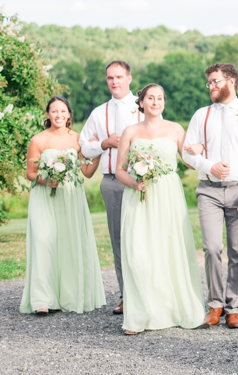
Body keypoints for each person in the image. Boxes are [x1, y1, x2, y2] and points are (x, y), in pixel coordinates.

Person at [115, 84, 206, 335]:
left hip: (168, 195)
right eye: (150, 98)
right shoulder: (130, 131)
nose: (156, 102)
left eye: (160, 98)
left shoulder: (176, 129)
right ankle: (140, 315)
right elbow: (119, 170)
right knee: (138, 253)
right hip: (138, 196)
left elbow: (189, 160)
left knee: (168, 249)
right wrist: (135, 182)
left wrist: (198, 151)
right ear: (141, 102)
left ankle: (173, 310)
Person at [182, 63, 238, 329]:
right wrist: (209, 166)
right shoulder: (200, 115)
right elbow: (186, 153)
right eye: (209, 83)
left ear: (231, 81)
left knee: (237, 251)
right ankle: (215, 305)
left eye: (215, 82)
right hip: (208, 190)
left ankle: (234, 309)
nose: (211, 86)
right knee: (211, 248)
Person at [21, 96, 105, 315]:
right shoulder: (38, 140)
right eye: (54, 111)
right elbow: (31, 173)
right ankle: (41, 299)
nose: (58, 115)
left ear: (69, 114)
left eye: (62, 111)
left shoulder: (78, 139)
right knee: (42, 241)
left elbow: (86, 172)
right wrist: (47, 180)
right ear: (47, 115)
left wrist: (98, 151)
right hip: (44, 197)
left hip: (70, 196)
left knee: (68, 243)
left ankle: (69, 295)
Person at [78, 60, 141, 314]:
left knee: (142, 238)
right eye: (109, 78)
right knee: (118, 239)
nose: (114, 82)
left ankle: (145, 294)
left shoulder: (143, 109)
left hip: (139, 182)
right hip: (111, 183)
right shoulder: (98, 113)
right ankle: (126, 295)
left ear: (129, 79)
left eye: (118, 77)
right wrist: (104, 143)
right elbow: (84, 146)